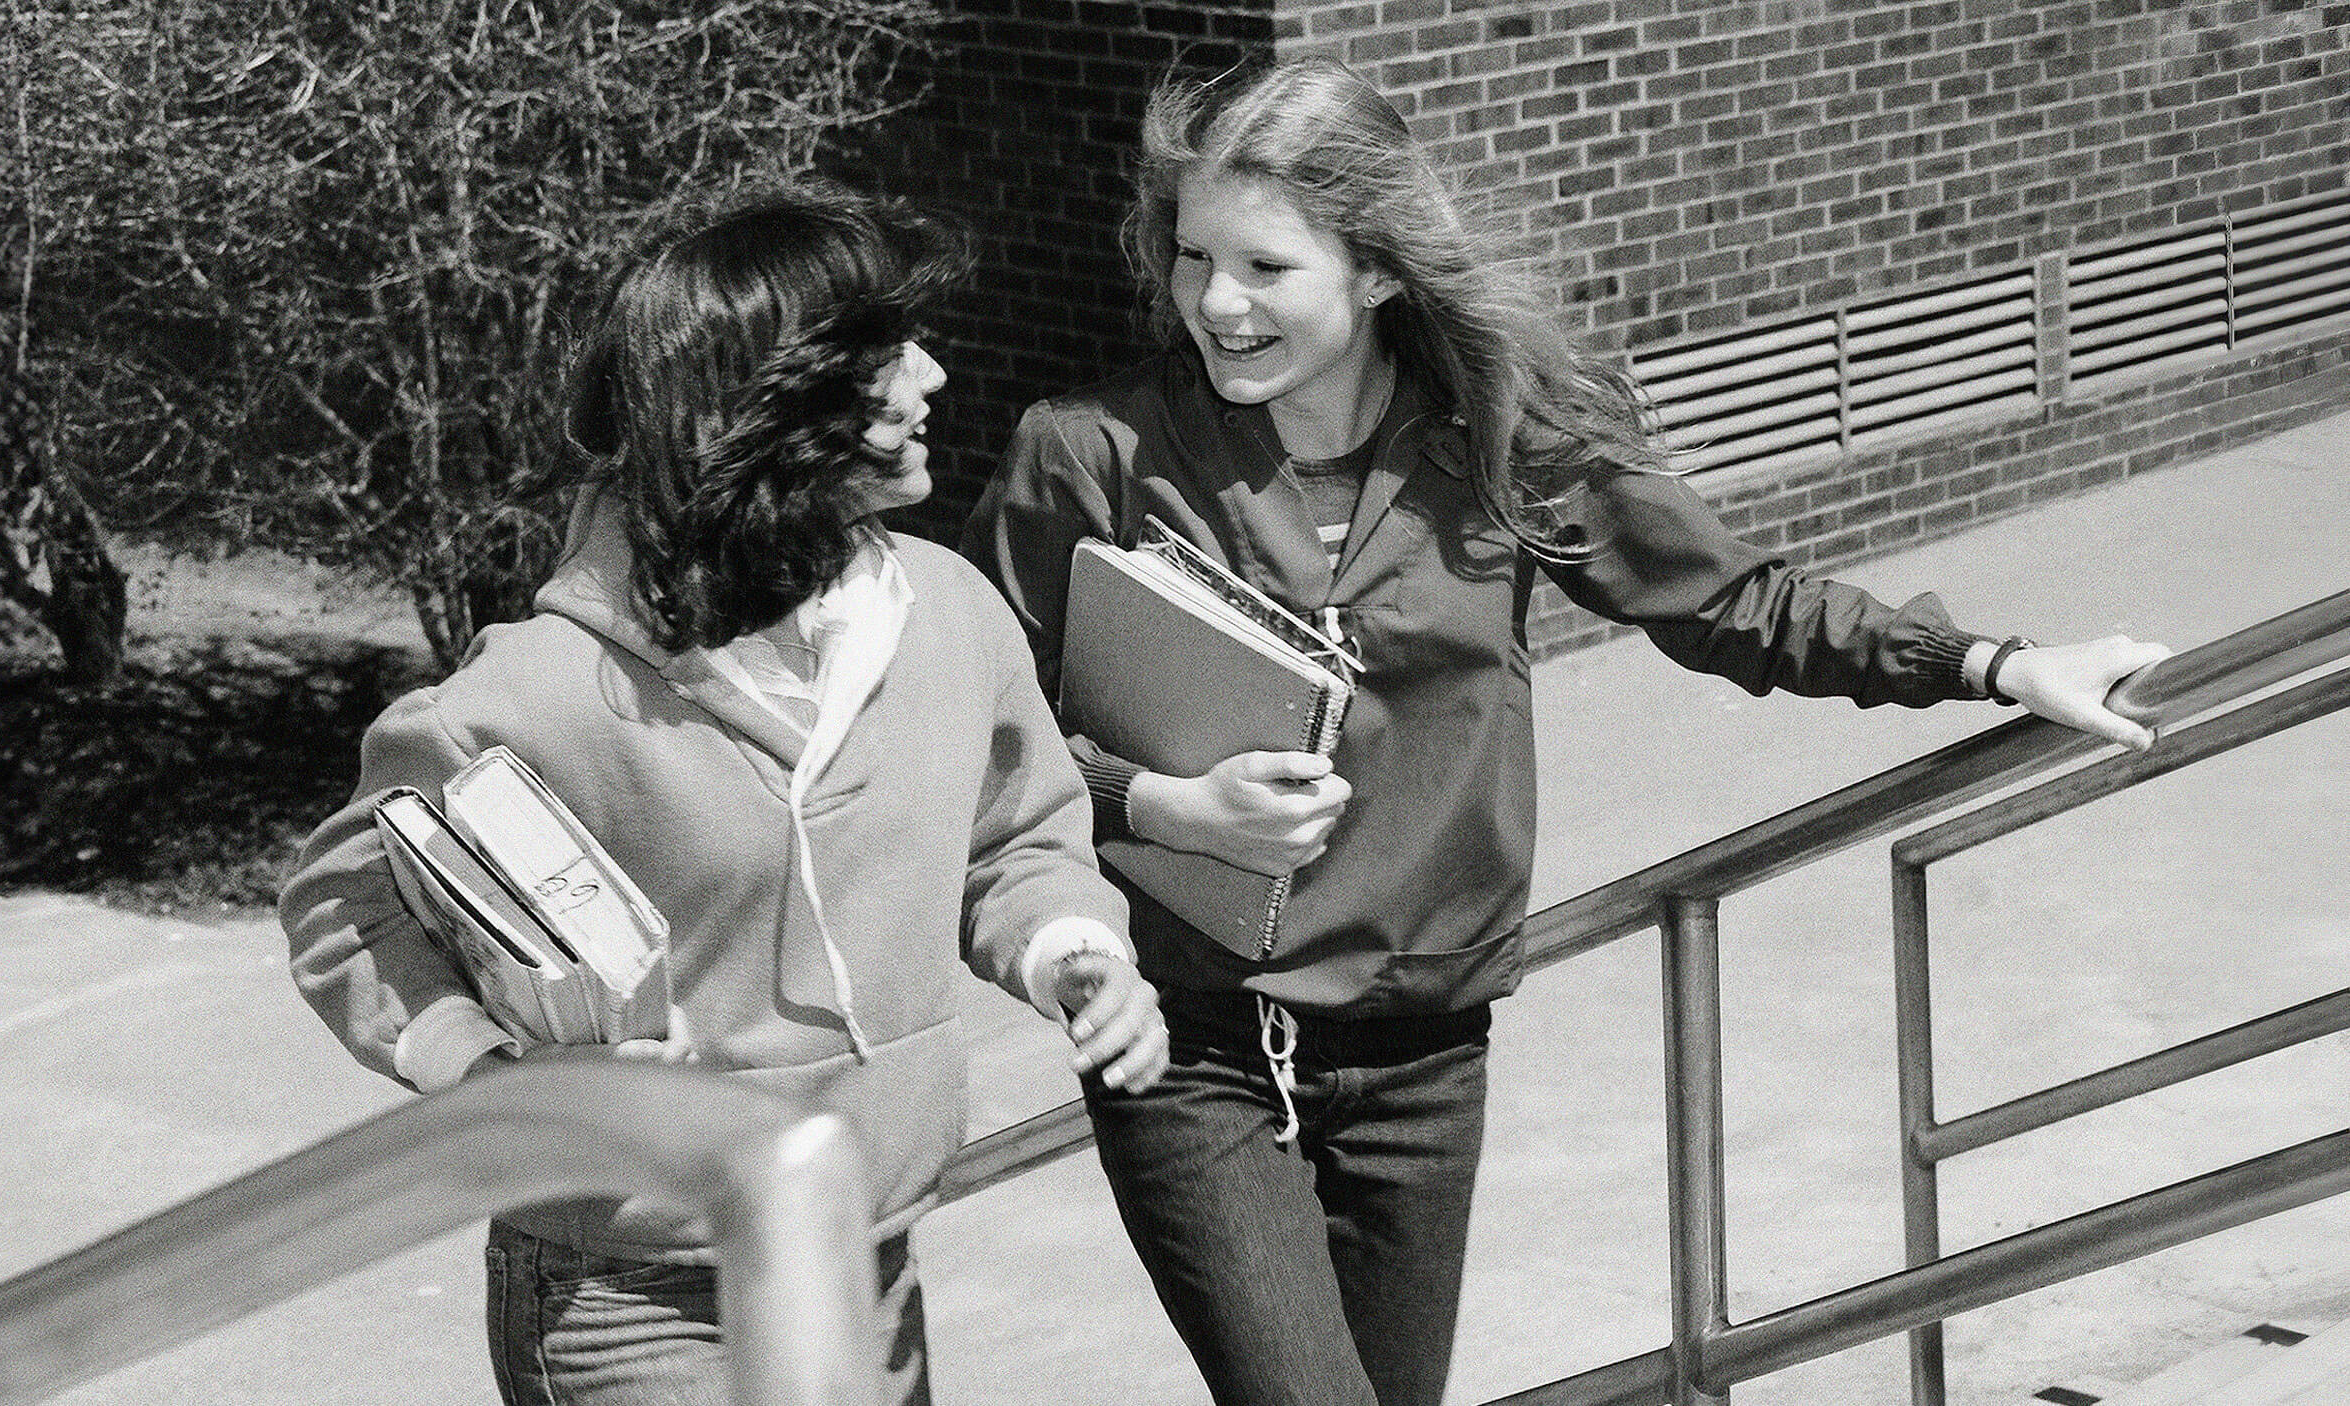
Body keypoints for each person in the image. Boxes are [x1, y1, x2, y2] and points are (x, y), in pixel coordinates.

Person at [959, 57, 2170, 1406]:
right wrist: (1161, 806)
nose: (1216, 303)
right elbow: (981, 738)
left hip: (1428, 1047)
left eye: (1263, 265)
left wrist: (1996, 662)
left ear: (1375, 273)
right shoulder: (1087, 453)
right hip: (1200, 1047)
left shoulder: (1502, 441)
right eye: (1193, 257)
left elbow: (1736, 605)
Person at [280, 179, 1168, 1406]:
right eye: (886, 355)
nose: (934, 380)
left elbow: (1014, 839)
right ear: (776, 403)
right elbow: (345, 901)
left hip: (866, 1256)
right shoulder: (545, 688)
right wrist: (479, 1071)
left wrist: (1075, 951)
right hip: (625, 1293)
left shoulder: (949, 612)